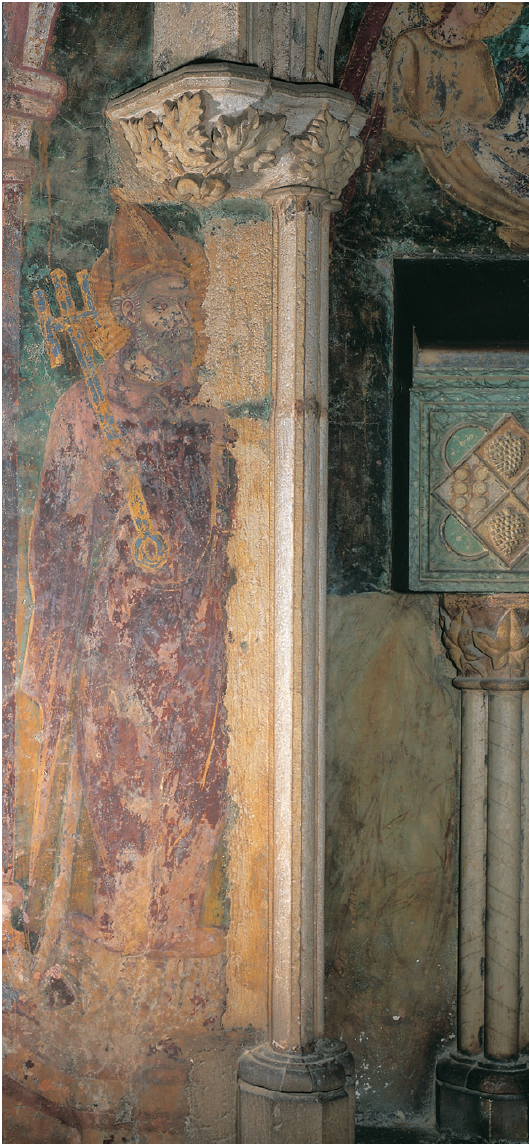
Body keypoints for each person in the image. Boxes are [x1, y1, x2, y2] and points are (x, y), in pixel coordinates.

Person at [22, 194, 236, 958]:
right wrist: (58, 631)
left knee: (198, 764)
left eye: (184, 298)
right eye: (160, 300)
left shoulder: (209, 409)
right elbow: (57, 527)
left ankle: (178, 916)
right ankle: (117, 913)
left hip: (198, 623)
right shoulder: (88, 406)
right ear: (127, 310)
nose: (177, 314)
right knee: (117, 762)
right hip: (117, 625)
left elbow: (229, 516)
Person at [384, 2, 529, 250]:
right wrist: (448, 133)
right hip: (449, 153)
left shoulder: (479, 51)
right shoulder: (411, 44)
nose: (487, 4)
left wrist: (514, 91)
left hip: (487, 146)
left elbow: (494, 121)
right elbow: (395, 121)